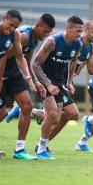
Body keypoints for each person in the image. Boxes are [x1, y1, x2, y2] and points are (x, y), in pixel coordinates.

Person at [0, 13, 55, 160]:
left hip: (14, 74)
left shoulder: (35, 40)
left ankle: (19, 150)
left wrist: (34, 81)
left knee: (27, 106)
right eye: (45, 32)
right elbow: (3, 57)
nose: (46, 36)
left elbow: (27, 59)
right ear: (37, 26)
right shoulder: (25, 36)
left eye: (49, 33)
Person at [0, 9, 35, 159]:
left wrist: (28, 77)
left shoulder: (15, 35)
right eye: (10, 25)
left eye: (15, 27)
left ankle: (18, 150)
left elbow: (20, 57)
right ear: (4, 18)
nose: (12, 29)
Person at [32, 16, 84, 160]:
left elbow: (73, 62)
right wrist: (47, 84)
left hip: (60, 84)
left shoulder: (78, 44)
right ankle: (41, 149)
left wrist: (69, 82)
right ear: (68, 29)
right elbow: (35, 64)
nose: (80, 34)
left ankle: (34, 113)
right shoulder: (52, 42)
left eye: (81, 31)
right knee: (53, 116)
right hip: (45, 81)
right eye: (77, 30)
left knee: (72, 114)